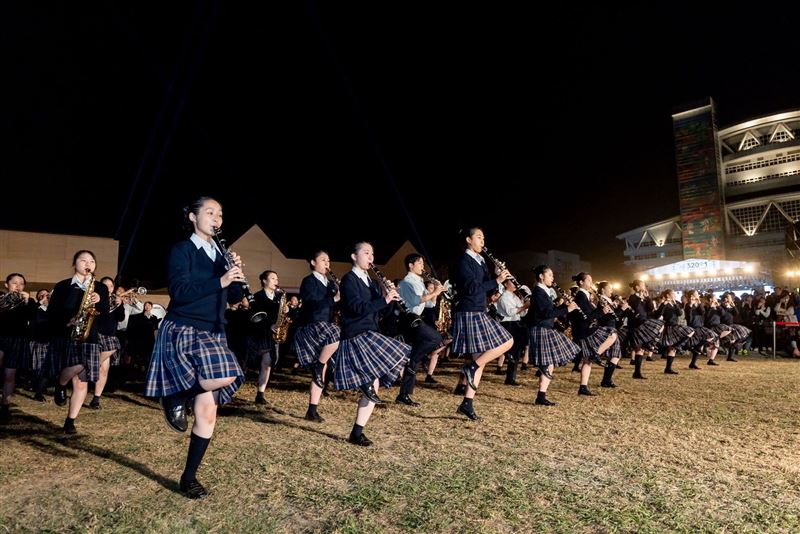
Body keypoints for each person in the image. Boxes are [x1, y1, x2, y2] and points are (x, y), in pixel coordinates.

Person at [144, 196, 246, 499]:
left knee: (208, 413)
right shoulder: (182, 250)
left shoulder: (221, 255)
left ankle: (188, 478)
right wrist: (221, 279)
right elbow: (180, 291)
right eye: (210, 213)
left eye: (220, 214)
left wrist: (235, 273)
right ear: (193, 217)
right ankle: (175, 393)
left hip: (214, 332)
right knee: (229, 375)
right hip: (184, 328)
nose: (217, 219)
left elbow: (233, 296)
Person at [334, 242, 410, 446]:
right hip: (356, 335)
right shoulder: (349, 280)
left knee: (374, 383)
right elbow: (357, 308)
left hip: (371, 332)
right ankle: (362, 384)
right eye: (366, 253)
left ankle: (356, 432)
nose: (371, 257)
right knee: (374, 379)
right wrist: (383, 299)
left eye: (372, 253)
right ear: (354, 256)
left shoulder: (372, 282)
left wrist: (390, 297)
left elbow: (381, 312)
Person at [451, 228, 513, 420]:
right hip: (469, 311)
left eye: (483, 237)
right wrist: (497, 279)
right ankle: (470, 369)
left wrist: (495, 278)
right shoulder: (463, 261)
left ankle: (467, 403)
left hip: (479, 309)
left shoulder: (481, 261)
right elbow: (470, 288)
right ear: (469, 240)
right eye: (479, 237)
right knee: (507, 341)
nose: (482, 241)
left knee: (480, 360)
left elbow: (485, 287)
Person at [46, 251, 110, 433]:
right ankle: (61, 383)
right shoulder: (63, 286)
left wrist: (100, 301)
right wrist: (68, 320)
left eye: (91, 261)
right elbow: (53, 312)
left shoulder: (100, 288)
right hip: (68, 334)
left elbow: (105, 315)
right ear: (75, 264)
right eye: (83, 260)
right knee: (78, 365)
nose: (87, 263)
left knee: (82, 381)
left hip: (90, 335)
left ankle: (70, 421)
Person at [293, 251, 340, 422]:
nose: (327, 263)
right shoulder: (309, 281)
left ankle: (312, 410)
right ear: (313, 262)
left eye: (328, 260)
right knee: (338, 335)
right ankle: (319, 365)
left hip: (324, 327)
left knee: (322, 368)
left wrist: (341, 296)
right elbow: (312, 303)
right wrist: (333, 299)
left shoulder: (330, 283)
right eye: (323, 260)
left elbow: (335, 304)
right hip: (312, 326)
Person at [525, 265, 581, 406]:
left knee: (550, 363)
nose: (552, 278)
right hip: (540, 328)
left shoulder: (544, 291)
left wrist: (564, 306)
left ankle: (541, 396)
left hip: (545, 328)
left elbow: (551, 310)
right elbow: (546, 313)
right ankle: (541, 392)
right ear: (541, 276)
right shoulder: (538, 292)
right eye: (549, 275)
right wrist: (567, 309)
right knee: (548, 362)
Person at [396, 254, 444, 406]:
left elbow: (429, 304)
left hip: (417, 318)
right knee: (436, 338)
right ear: (410, 265)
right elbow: (416, 301)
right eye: (419, 263)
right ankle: (414, 359)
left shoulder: (419, 282)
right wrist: (434, 293)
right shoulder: (407, 282)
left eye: (423, 262)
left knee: (413, 362)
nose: (422, 266)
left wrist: (436, 292)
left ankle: (404, 395)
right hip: (408, 319)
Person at [0, 273, 36, 424]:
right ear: (6, 285)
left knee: (9, 375)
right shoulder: (1, 299)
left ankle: (5, 406)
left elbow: (33, 316)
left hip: (17, 340)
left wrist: (28, 301)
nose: (18, 285)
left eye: (21, 283)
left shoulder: (28, 302)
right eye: (14, 283)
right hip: (1, 338)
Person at [89, 276, 126, 409]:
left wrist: (120, 305)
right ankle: (89, 367)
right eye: (105, 286)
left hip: (110, 336)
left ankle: (96, 399)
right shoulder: (96, 299)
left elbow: (120, 318)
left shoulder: (116, 300)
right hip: (96, 335)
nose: (108, 288)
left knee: (104, 370)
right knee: (98, 366)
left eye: (110, 286)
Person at [249, 270, 283, 405]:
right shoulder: (257, 296)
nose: (276, 281)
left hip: (273, 336)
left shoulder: (279, 298)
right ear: (264, 281)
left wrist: (286, 311)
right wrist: (269, 325)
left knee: (268, 364)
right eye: (273, 278)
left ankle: (260, 394)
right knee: (247, 363)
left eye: (277, 278)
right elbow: (255, 317)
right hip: (259, 334)